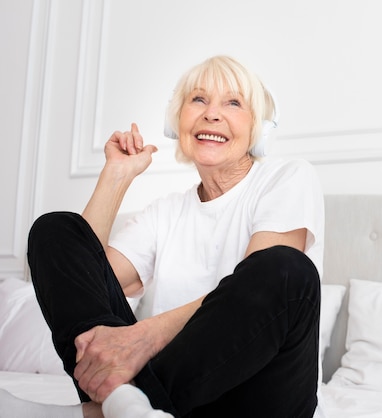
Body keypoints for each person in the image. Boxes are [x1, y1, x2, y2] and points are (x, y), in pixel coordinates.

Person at [0, 55, 324, 418]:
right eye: (198, 99)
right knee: (56, 230)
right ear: (177, 123)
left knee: (286, 270)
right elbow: (87, 281)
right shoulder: (164, 211)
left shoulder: (288, 178)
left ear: (259, 129)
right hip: (173, 403)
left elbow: (266, 292)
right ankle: (129, 407)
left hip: (260, 396)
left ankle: (99, 412)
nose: (211, 114)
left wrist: (141, 338)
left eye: (233, 102)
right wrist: (117, 177)